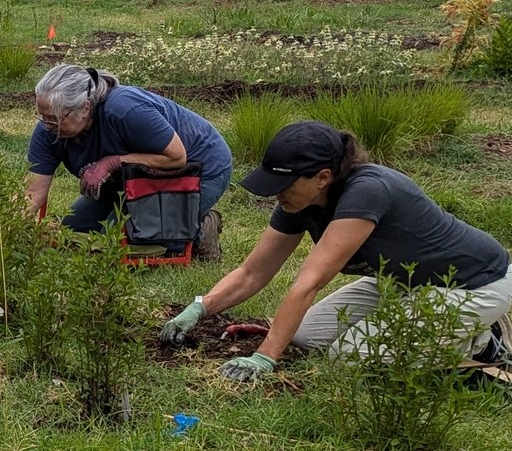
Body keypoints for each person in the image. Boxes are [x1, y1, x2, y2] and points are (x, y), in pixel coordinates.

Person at [161, 120, 512, 383]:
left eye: (283, 184)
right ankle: (449, 330)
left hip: (474, 284)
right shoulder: (299, 201)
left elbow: (308, 282)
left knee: (350, 358)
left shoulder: (369, 191)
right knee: (304, 336)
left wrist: (265, 356)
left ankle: (480, 342)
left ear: (323, 176)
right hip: (401, 282)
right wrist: (200, 307)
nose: (275, 193)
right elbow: (254, 271)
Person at [26, 63, 230, 261]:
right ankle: (169, 221)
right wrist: (10, 230)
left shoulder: (124, 110)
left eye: (54, 118)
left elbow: (176, 157)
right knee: (72, 232)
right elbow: (34, 192)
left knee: (123, 242)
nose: (46, 125)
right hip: (130, 180)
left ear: (85, 108)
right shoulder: (47, 130)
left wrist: (113, 162)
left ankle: (200, 229)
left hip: (196, 169)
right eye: (42, 116)